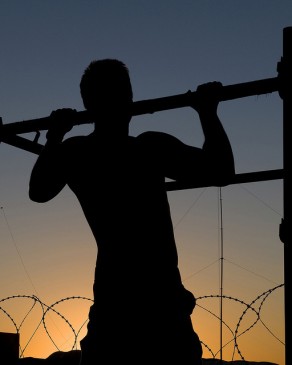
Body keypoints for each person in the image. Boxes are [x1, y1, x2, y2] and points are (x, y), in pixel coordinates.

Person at [29, 59, 235, 365]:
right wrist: (207, 113)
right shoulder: (148, 147)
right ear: (129, 98)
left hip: (117, 300)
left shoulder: (78, 153)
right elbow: (221, 171)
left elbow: (39, 190)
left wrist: (55, 136)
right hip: (158, 302)